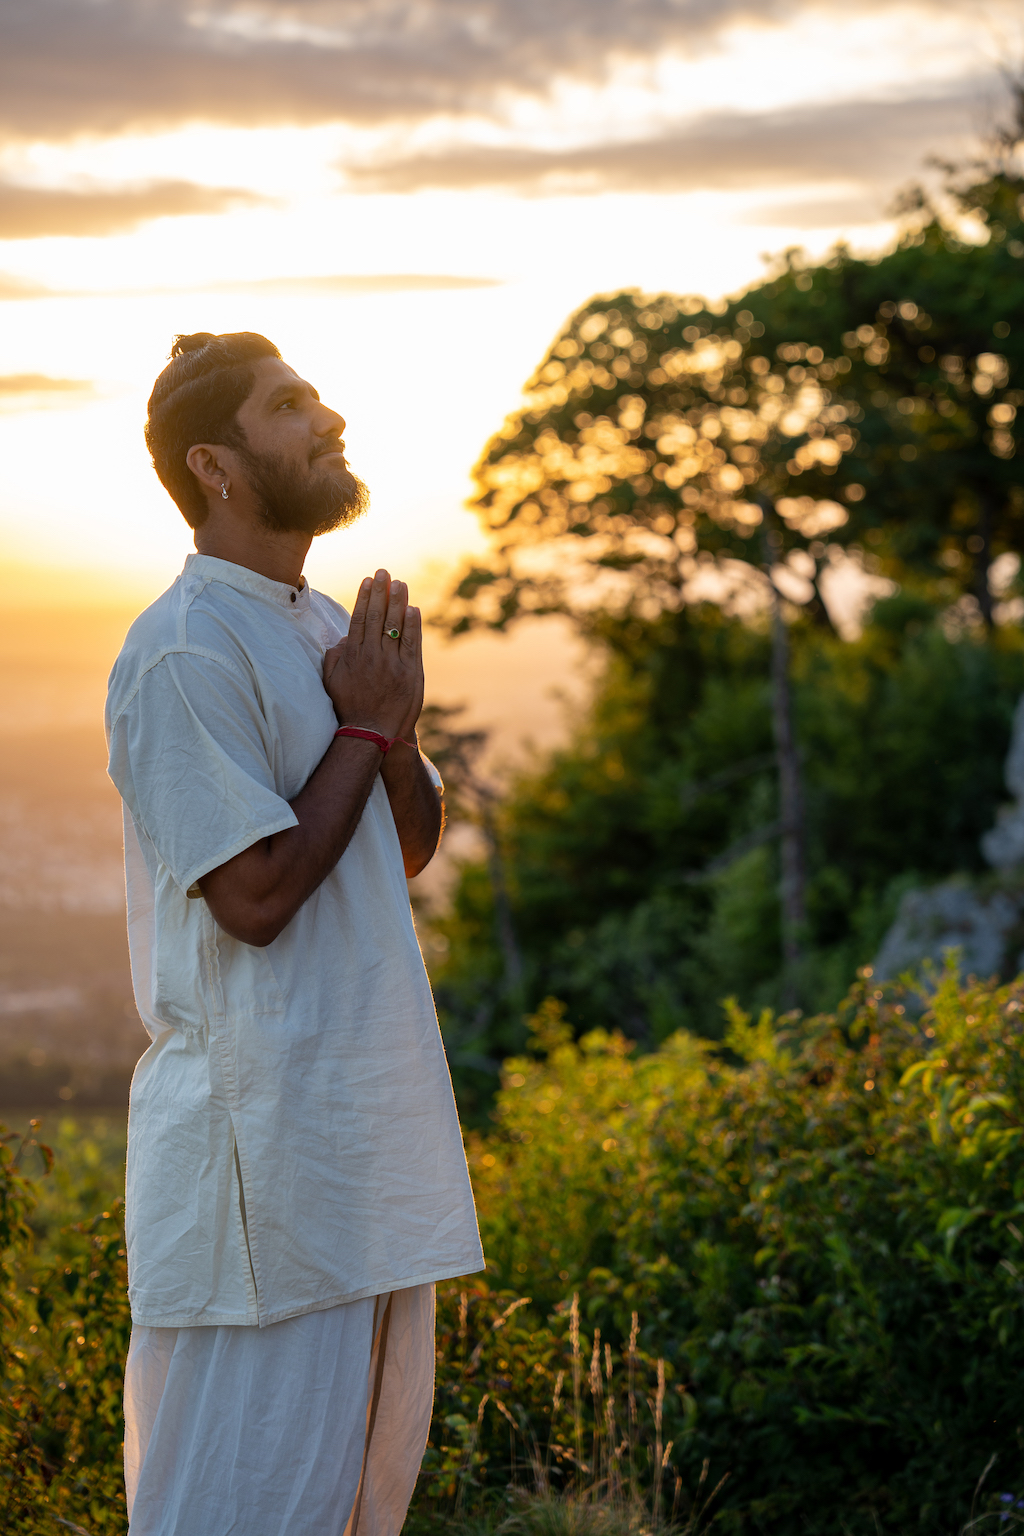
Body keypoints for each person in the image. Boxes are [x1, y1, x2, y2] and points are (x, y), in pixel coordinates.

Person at [105, 331, 484, 1536]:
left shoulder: (320, 619)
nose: (326, 417)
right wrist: (363, 734)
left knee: (347, 1508)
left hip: (352, 1143)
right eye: (288, 406)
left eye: (315, 395)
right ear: (215, 465)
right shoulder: (182, 650)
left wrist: (396, 724)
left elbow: (402, 850)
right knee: (234, 1508)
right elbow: (256, 901)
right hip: (254, 1167)